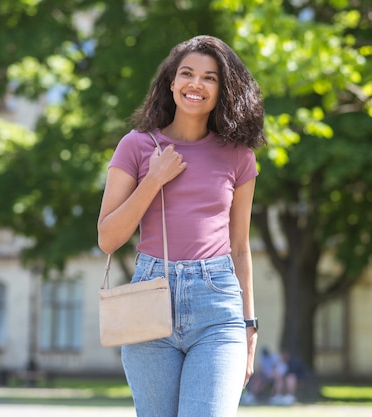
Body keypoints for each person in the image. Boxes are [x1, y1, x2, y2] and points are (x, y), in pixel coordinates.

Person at [97, 35, 266, 417]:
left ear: (222, 89)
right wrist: (153, 180)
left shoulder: (238, 156)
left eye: (210, 78)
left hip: (218, 305)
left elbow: (240, 246)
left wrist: (249, 326)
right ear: (171, 83)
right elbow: (108, 238)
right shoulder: (136, 146)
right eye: (187, 74)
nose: (196, 84)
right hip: (151, 300)